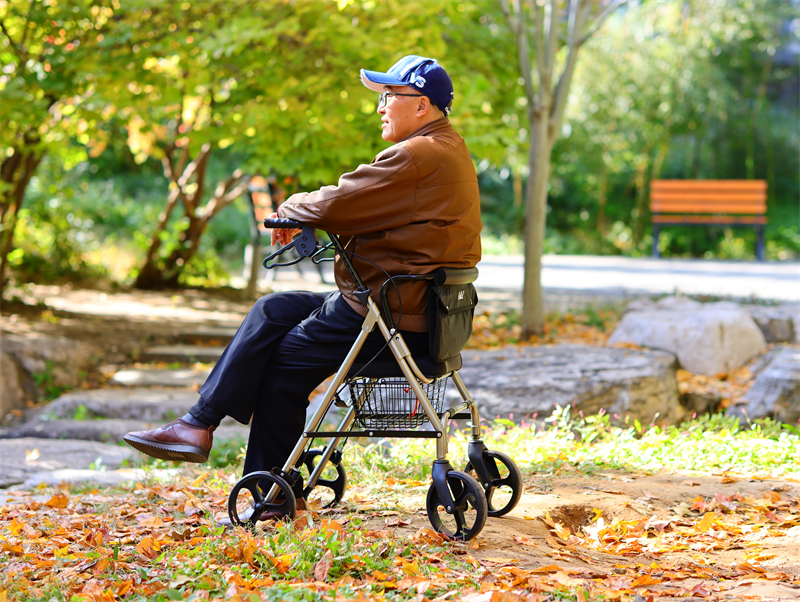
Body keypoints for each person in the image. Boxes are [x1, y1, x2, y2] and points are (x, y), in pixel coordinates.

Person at [123, 55, 482, 517]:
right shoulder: (449, 148)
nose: (380, 107)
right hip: (412, 303)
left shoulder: (417, 155)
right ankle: (198, 424)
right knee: (273, 310)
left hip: (392, 312)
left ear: (422, 105)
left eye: (390, 96)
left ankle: (271, 496)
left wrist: (292, 206)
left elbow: (342, 198)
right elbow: (361, 204)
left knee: (280, 365)